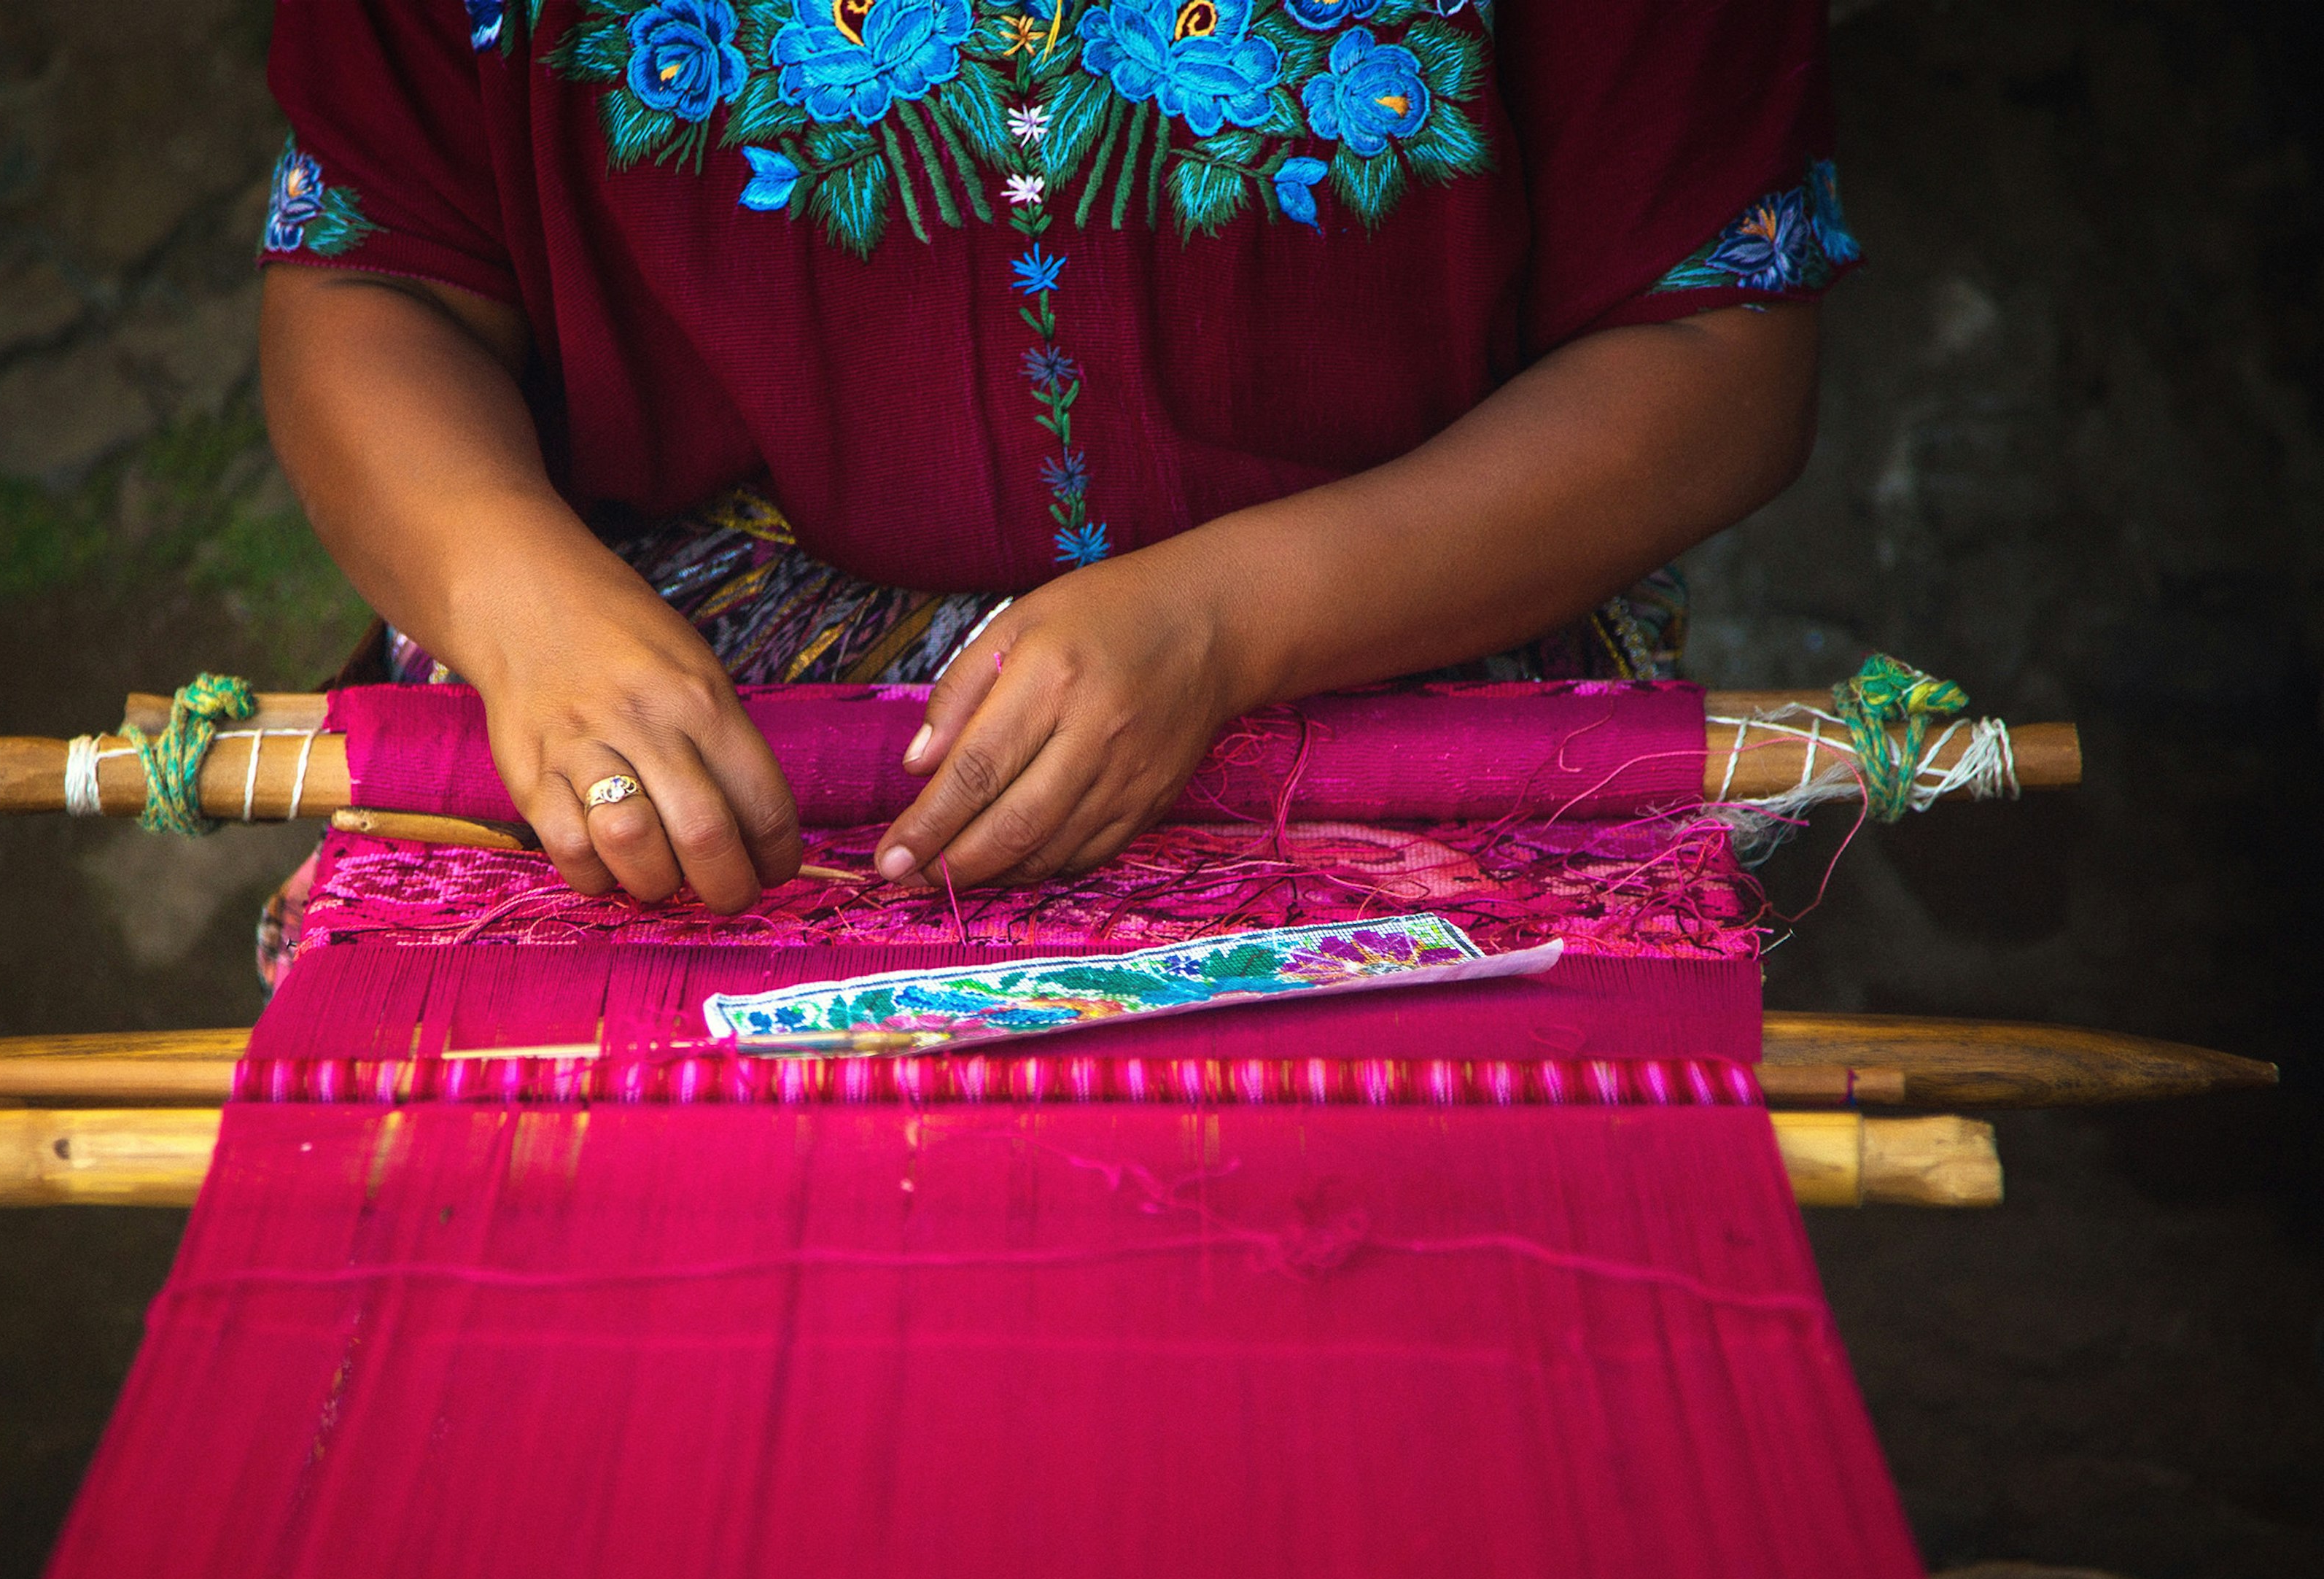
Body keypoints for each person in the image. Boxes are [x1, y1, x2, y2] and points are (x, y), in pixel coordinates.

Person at [254, 0, 1854, 917]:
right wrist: (531, 613)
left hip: (1393, 683)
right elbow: (379, 279)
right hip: (704, 721)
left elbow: (1714, 348)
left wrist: (1232, 619)